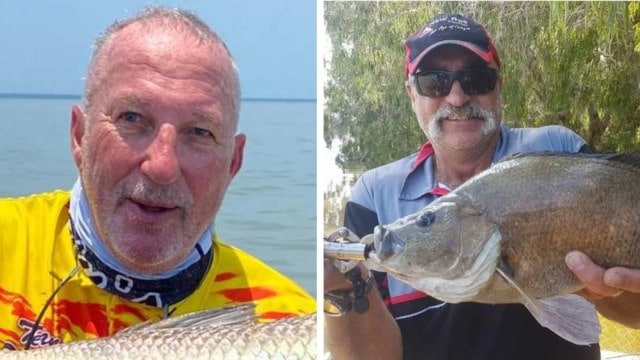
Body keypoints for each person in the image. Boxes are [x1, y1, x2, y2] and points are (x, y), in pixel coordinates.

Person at [325, 13, 640, 360]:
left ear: (499, 85)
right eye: (434, 82)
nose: (457, 98)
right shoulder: (372, 195)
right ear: (411, 94)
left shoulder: (557, 148)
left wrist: (606, 292)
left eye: (476, 79)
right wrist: (340, 285)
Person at [0, 7, 314, 351]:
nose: (162, 166)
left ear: (233, 163)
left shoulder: (290, 322)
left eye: (199, 132)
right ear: (80, 135)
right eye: (132, 118)